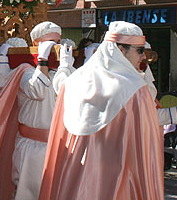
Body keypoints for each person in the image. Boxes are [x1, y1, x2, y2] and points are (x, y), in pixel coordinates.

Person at [39, 21, 164, 199]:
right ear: (121, 50)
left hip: (77, 174)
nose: (143, 57)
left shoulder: (77, 79)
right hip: (115, 179)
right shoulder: (136, 90)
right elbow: (143, 152)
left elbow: (60, 86)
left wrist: (65, 66)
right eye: (140, 50)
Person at [0, 22, 74, 199]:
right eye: (50, 42)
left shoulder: (61, 71)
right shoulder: (25, 70)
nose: (55, 47)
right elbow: (37, 91)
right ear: (36, 44)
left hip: (57, 145)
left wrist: (68, 65)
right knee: (28, 193)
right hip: (31, 148)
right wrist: (41, 60)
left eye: (57, 42)